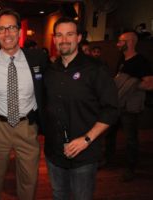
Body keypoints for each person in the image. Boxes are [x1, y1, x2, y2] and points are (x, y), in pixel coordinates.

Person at [44, 17, 118, 200]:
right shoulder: (50, 71)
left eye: (69, 34)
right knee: (58, 195)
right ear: (54, 39)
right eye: (59, 35)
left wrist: (86, 139)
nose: (64, 40)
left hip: (84, 155)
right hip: (54, 154)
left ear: (78, 37)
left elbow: (112, 109)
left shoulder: (96, 69)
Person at [0, 9, 47, 200]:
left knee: (29, 179)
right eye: (1, 29)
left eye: (11, 28)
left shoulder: (37, 58)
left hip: (27, 127)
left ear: (19, 31)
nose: (6, 33)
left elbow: (48, 88)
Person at [103, 31, 153, 181]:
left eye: (120, 41)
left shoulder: (141, 61)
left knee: (131, 138)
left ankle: (131, 168)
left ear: (130, 42)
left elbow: (150, 84)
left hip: (129, 108)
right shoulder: (122, 59)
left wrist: (131, 84)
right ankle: (108, 160)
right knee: (110, 133)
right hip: (117, 105)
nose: (118, 44)